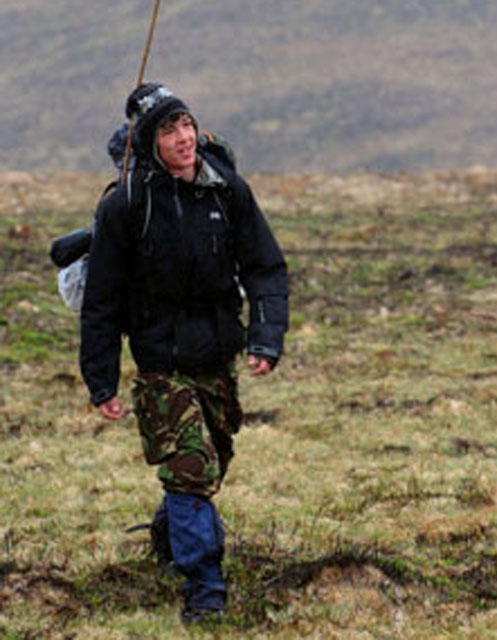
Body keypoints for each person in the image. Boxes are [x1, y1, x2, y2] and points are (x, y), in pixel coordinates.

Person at [80, 83, 289, 621]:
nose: (183, 137)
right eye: (170, 129)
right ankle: (204, 586)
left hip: (216, 355)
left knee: (211, 462)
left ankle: (169, 530)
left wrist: (266, 337)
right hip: (160, 363)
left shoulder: (228, 192)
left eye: (188, 125)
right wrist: (100, 379)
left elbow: (265, 267)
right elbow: (101, 301)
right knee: (191, 468)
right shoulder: (127, 206)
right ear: (150, 142)